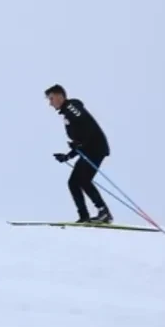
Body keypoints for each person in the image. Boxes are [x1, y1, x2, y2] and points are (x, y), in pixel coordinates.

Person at [45, 84, 112, 224]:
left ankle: (103, 212)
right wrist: (67, 156)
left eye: (51, 99)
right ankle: (84, 216)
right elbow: (80, 139)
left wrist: (80, 144)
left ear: (60, 96)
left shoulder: (71, 108)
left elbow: (87, 126)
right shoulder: (67, 112)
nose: (50, 103)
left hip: (95, 148)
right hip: (90, 149)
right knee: (74, 182)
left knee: (82, 180)